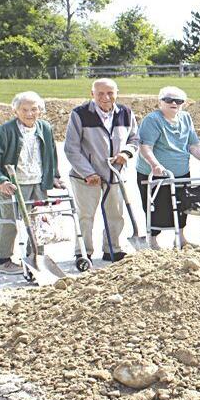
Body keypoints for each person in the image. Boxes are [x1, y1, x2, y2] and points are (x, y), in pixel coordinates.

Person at [0, 92, 65, 275]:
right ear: (16, 111)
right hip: (13, 184)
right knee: (11, 221)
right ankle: (4, 260)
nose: (30, 113)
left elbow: (51, 154)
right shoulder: (6, 130)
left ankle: (36, 257)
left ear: (40, 110)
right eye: (24, 109)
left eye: (34, 109)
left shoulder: (44, 127)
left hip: (38, 182)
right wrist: (1, 181)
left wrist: (55, 177)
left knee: (40, 221)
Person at [136, 87, 200, 249]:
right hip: (156, 174)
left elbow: (193, 145)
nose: (174, 103)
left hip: (181, 172)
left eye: (179, 101)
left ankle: (181, 239)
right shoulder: (152, 120)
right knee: (157, 208)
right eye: (169, 100)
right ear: (160, 102)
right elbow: (145, 147)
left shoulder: (186, 118)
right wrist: (155, 165)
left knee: (182, 205)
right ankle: (152, 241)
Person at [64, 78, 139, 263]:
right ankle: (83, 252)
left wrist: (126, 153)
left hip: (115, 173)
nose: (105, 97)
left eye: (110, 93)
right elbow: (71, 148)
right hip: (86, 176)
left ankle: (112, 249)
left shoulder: (126, 113)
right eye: (100, 94)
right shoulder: (79, 114)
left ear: (117, 93)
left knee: (116, 214)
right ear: (92, 95)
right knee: (86, 215)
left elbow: (134, 139)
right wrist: (88, 172)